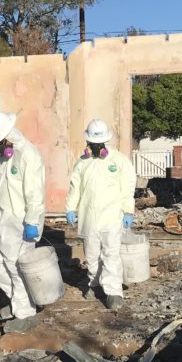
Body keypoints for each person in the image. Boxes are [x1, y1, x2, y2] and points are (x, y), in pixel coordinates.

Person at [0, 112, 46, 334]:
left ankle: (25, 313)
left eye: (0, 142)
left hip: (21, 221)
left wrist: (32, 221)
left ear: (9, 135)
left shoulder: (29, 155)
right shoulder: (5, 157)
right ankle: (20, 299)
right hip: (2, 219)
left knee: (15, 266)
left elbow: (35, 193)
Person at [66, 118, 137, 312]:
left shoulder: (119, 161)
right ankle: (94, 283)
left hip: (112, 216)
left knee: (111, 254)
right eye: (93, 143)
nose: (96, 147)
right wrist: (71, 208)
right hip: (89, 217)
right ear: (88, 142)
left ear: (106, 141)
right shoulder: (82, 162)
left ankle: (113, 292)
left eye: (99, 144)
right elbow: (75, 188)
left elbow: (128, 187)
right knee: (91, 255)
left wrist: (128, 210)